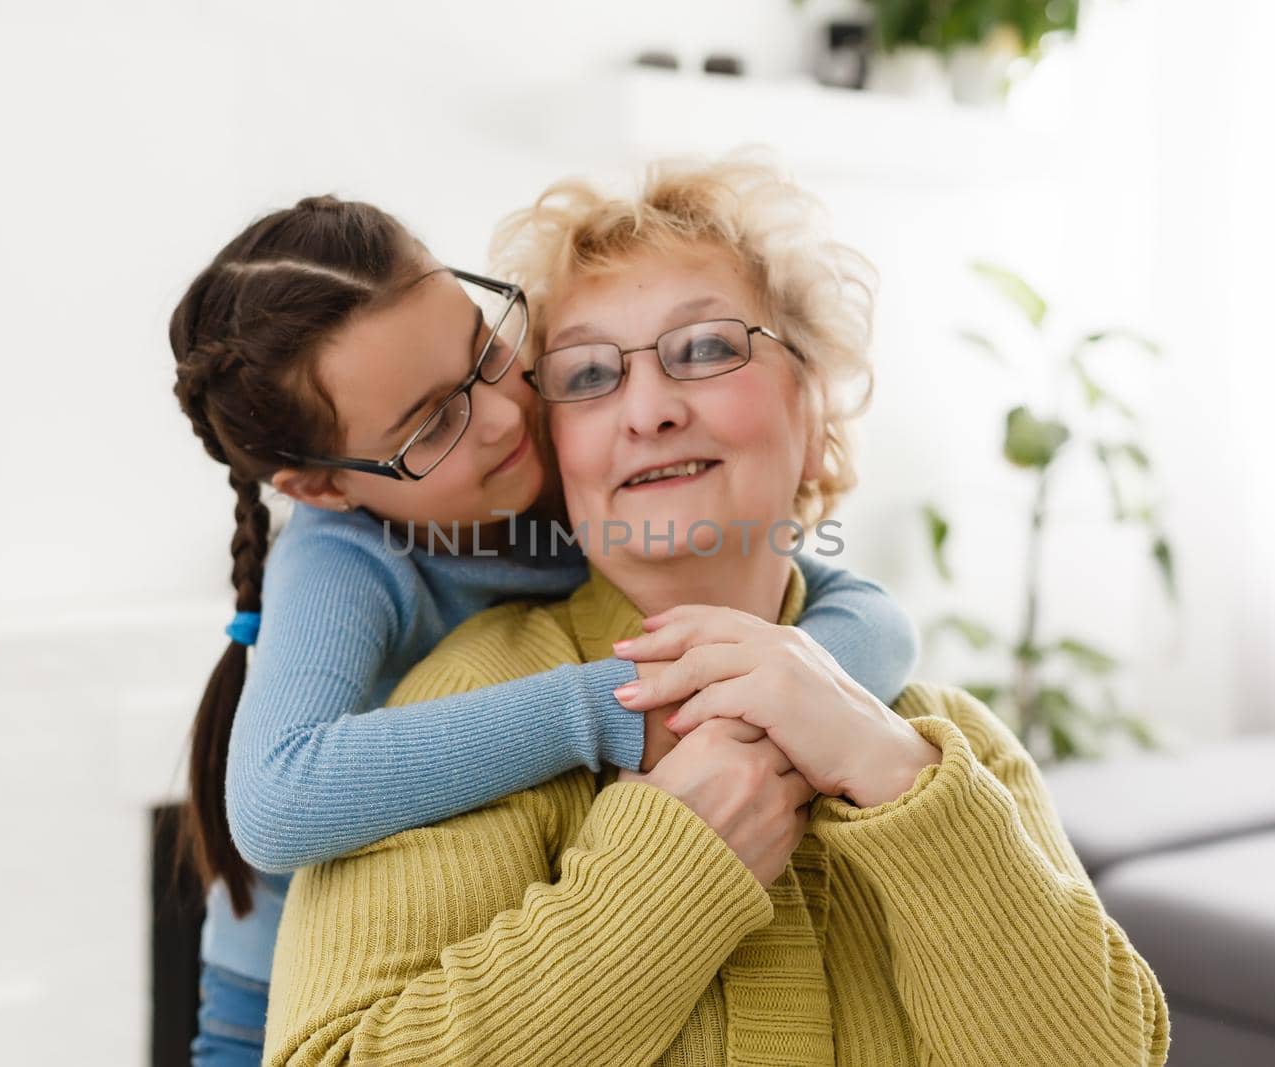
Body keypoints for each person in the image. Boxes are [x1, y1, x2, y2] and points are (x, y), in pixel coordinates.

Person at [263, 160, 1171, 1066]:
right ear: (555, 443)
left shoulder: (939, 742)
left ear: (814, 412)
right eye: (586, 375)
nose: (650, 409)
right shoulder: (463, 715)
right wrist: (674, 869)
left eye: (704, 349)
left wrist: (894, 778)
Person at [167, 195, 919, 1064]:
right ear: (323, 487)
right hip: (278, 1003)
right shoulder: (341, 556)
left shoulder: (544, 464)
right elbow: (276, 802)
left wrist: (796, 705)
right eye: (431, 423)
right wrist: (615, 709)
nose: (496, 414)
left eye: (487, 350)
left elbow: (864, 609)